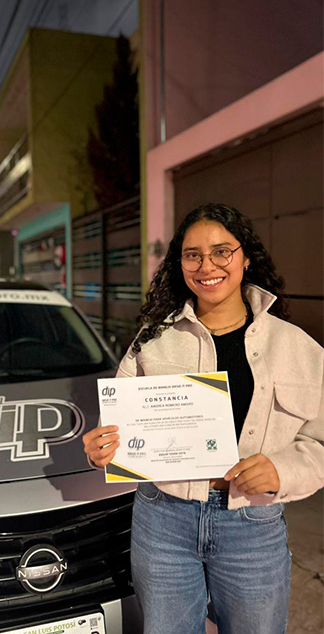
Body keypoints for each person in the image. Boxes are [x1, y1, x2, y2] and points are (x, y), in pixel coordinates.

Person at [83, 203, 324, 634]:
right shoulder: (153, 341)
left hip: (252, 523)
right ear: (180, 265)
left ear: (245, 258)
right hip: (163, 520)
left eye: (221, 252)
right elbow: (116, 426)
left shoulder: (295, 346)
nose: (207, 266)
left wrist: (282, 469)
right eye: (192, 255)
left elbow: (319, 442)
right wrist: (101, 448)